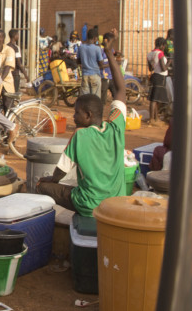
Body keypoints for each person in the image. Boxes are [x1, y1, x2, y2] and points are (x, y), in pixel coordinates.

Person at [35, 32, 127, 216]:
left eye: (77, 113)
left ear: (88, 115)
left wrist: (49, 181)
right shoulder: (116, 127)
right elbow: (121, 89)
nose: (74, 117)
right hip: (118, 201)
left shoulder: (80, 135)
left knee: (41, 185)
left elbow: (59, 172)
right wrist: (108, 53)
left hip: (91, 204)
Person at [146, 37, 169, 126]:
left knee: (154, 98)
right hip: (160, 77)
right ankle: (153, 119)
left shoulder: (150, 54)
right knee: (156, 99)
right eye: (164, 46)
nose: (164, 47)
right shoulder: (160, 54)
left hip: (154, 75)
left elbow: (150, 68)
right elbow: (163, 68)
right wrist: (169, 62)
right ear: (162, 45)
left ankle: (155, 118)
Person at [77, 28, 105, 100]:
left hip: (85, 75)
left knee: (85, 99)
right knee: (95, 99)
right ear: (95, 38)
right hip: (95, 75)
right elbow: (101, 64)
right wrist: (110, 65)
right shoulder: (97, 49)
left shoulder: (81, 47)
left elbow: (78, 61)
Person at [0, 29, 16, 112]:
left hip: (6, 82)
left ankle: (10, 124)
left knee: (8, 106)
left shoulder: (9, 50)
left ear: (1, 38)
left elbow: (7, 67)